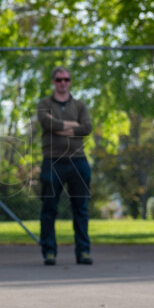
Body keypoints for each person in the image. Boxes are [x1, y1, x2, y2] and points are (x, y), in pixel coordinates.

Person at [37, 66, 93, 266]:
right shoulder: (44, 104)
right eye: (59, 79)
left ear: (70, 81)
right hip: (53, 161)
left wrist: (60, 126)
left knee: (81, 210)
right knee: (49, 209)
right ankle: (49, 252)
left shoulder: (80, 105)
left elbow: (86, 129)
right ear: (53, 81)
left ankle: (83, 252)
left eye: (66, 79)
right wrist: (73, 126)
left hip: (78, 161)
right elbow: (47, 125)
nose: (63, 83)